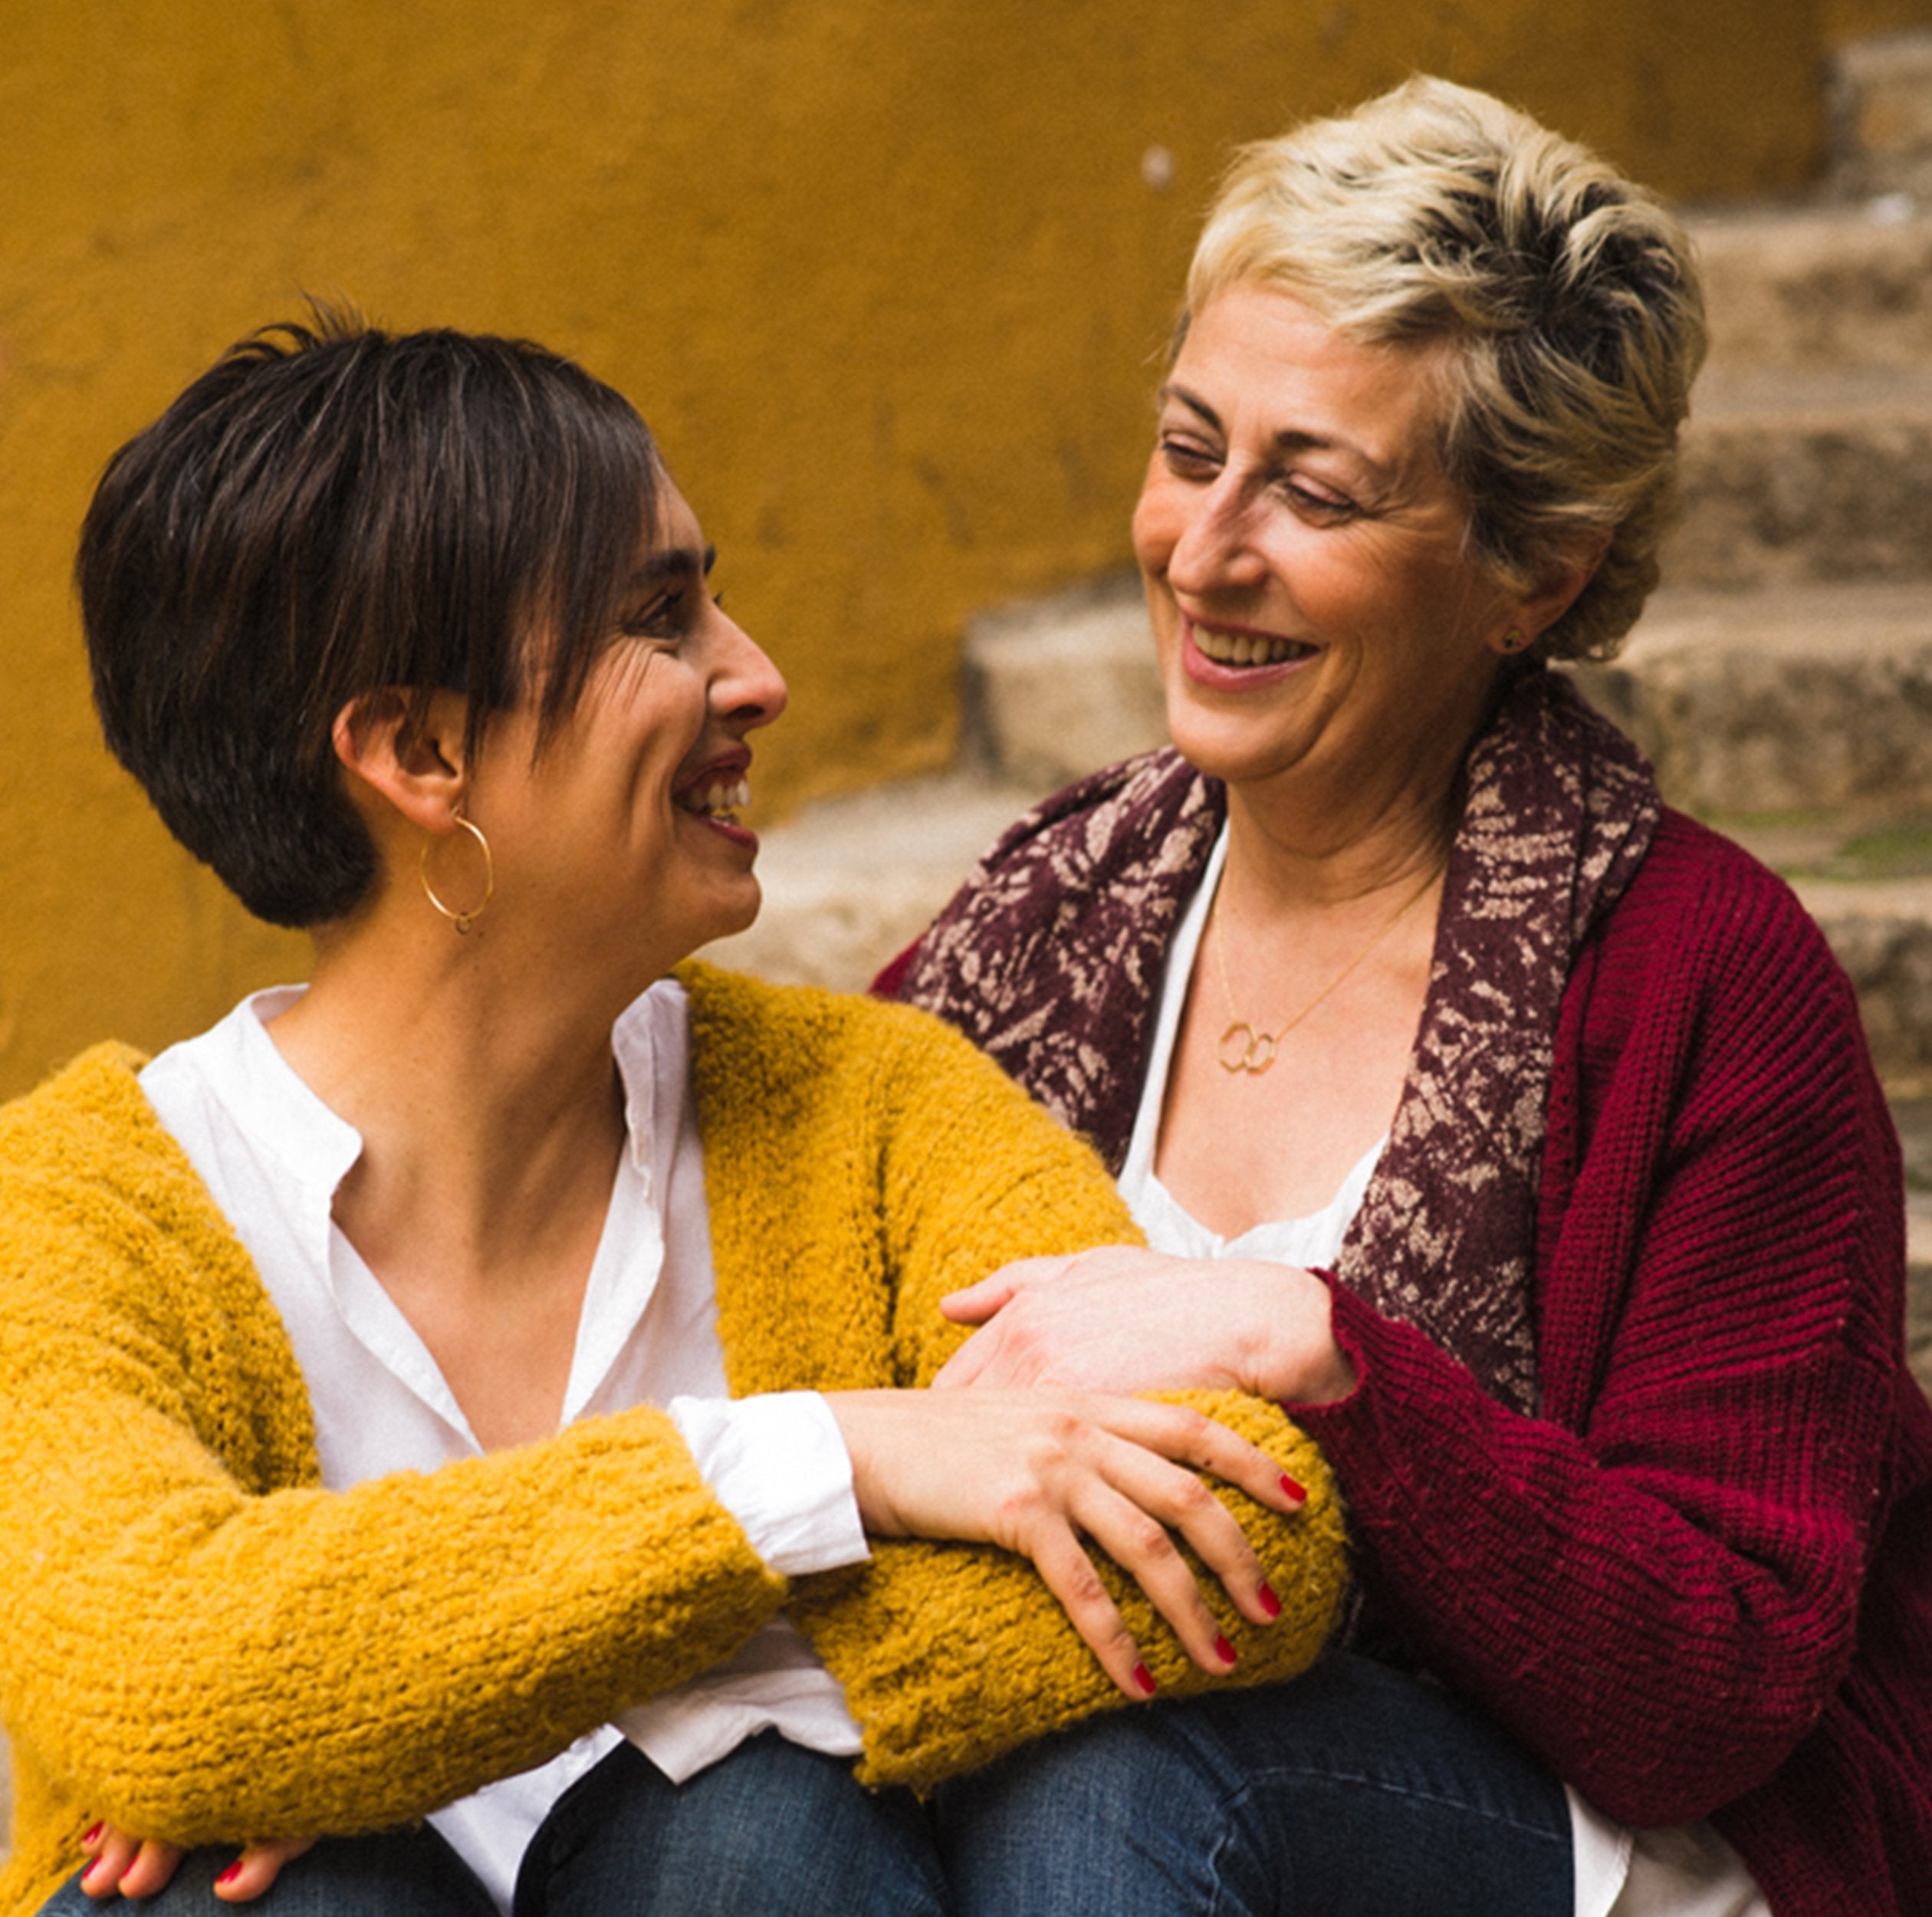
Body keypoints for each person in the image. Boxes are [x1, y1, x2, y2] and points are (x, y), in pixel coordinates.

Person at [0, 313, 1349, 1917]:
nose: (756, 674)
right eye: (662, 618)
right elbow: (164, 1672)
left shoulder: (872, 1111)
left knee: (746, 1836)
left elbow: (1247, 1531)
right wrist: (836, 1459)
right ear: (423, 751)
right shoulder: (75, 1205)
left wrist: (382, 1713)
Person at [882, 76, 1932, 1916]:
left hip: (1600, 1836)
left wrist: (1322, 1351)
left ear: (1537, 568)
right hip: (1114, 1760)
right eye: (1191, 447)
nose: (1205, 552)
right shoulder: (1050, 916)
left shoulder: (1704, 976)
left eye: (1314, 488)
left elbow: (1717, 1679)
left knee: (1120, 1772)